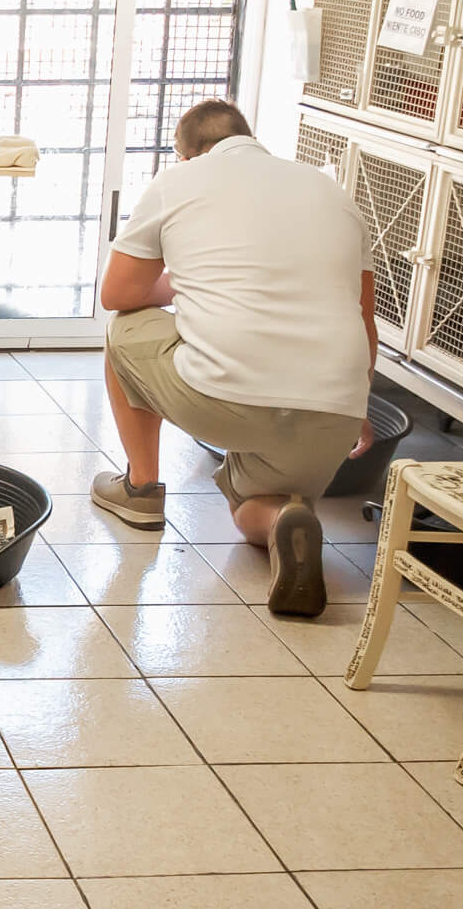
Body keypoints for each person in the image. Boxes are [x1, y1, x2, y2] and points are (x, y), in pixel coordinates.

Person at [91, 100, 376, 617]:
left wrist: (180, 284)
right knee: (251, 511)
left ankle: (141, 488)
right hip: (333, 409)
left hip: (226, 397)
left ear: (187, 154)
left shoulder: (179, 182)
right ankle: (286, 520)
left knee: (125, 330)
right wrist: (358, 407)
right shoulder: (331, 192)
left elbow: (119, 293)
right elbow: (364, 319)